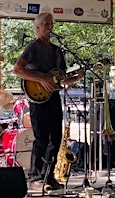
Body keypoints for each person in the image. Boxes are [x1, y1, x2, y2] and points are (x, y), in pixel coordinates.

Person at [13, 12, 84, 190]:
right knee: (41, 138)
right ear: (37, 28)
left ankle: (48, 175)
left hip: (53, 98)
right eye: (46, 24)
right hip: (37, 100)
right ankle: (35, 177)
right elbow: (17, 70)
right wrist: (40, 79)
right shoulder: (33, 47)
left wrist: (76, 78)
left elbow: (60, 80)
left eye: (51, 24)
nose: (50, 27)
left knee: (57, 137)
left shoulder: (57, 51)